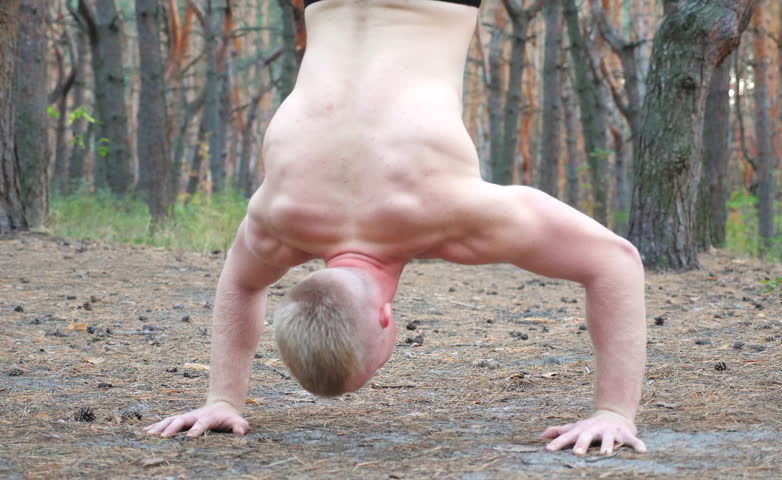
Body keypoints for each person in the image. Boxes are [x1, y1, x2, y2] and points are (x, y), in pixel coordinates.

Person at [144, 0, 647, 456]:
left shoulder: (445, 216)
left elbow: (615, 262)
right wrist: (221, 397)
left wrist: (614, 412)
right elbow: (241, 281)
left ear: (387, 319)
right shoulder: (280, 219)